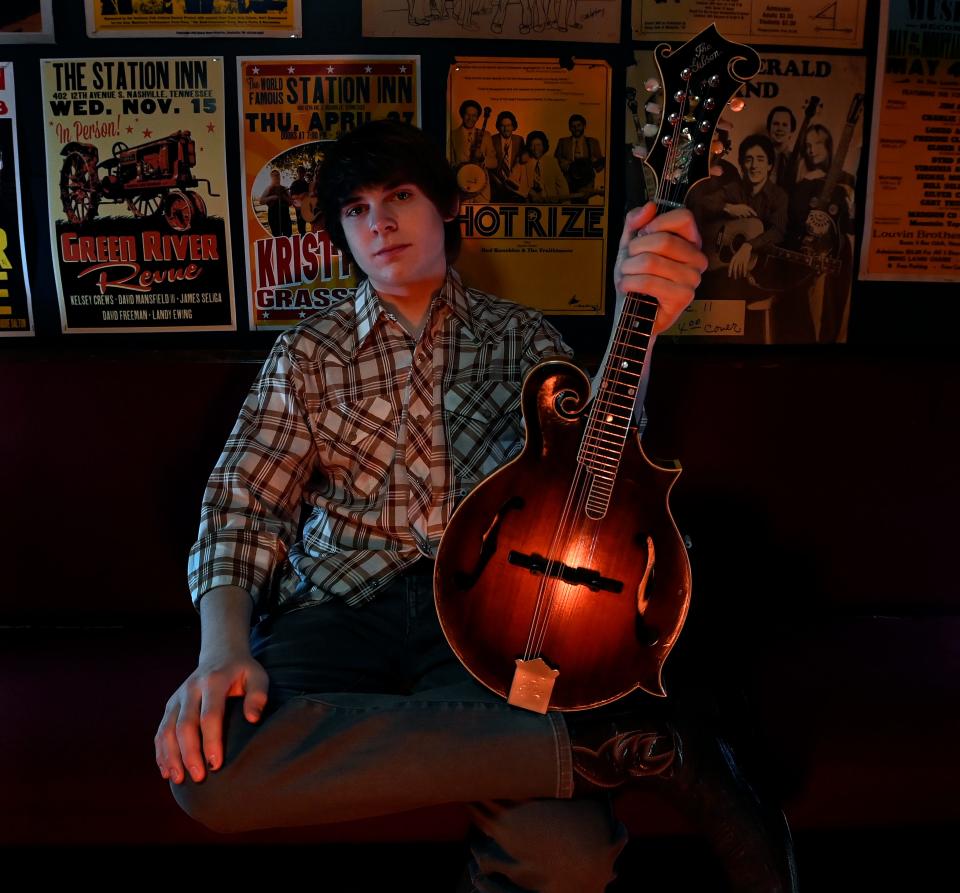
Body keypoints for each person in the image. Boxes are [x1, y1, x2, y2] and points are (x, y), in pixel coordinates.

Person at [157, 120, 797, 892]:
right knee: (211, 773)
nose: (380, 223)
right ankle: (615, 742)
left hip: (482, 621)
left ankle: (546, 746)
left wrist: (647, 330)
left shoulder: (523, 340)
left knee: (569, 855)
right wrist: (221, 649)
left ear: (449, 208)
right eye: (356, 210)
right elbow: (240, 509)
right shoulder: (306, 354)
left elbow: (598, 482)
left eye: (398, 196)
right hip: (329, 613)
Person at [449, 99, 496, 203]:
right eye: (467, 114)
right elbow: (449, 162)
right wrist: (461, 168)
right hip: (462, 189)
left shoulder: (486, 136)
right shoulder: (452, 135)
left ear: (478, 117)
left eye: (474, 115)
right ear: (462, 115)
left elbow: (494, 163)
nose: (470, 118)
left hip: (482, 191)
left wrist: (483, 158)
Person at [554, 114, 605, 201]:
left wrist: (597, 162)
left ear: (584, 126)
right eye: (573, 126)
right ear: (569, 128)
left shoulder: (593, 142)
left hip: (586, 183)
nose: (576, 128)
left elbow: (599, 168)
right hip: (567, 181)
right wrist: (562, 163)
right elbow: (555, 161)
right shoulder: (562, 142)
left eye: (579, 125)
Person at [514, 130, 569, 202]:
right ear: (529, 147)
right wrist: (529, 192)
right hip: (529, 205)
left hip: (550, 204)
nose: (536, 148)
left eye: (538, 145)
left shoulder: (552, 162)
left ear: (544, 146)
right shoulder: (522, 162)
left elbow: (562, 187)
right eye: (532, 145)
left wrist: (565, 206)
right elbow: (511, 183)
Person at [489, 110, 525, 201]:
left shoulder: (519, 140)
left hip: (514, 185)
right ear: (498, 127)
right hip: (496, 185)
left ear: (513, 126)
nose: (506, 129)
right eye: (502, 126)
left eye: (508, 125)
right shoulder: (491, 139)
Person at [765, 105, 797, 187]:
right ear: (768, 129)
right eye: (776, 124)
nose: (780, 128)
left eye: (785, 125)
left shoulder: (798, 160)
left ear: (791, 131)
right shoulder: (759, 159)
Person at [258, 168, 293, 238]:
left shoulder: (284, 188)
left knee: (288, 235)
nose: (276, 177)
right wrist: (272, 197)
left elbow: (291, 202)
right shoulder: (269, 188)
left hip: (285, 214)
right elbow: (261, 201)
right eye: (274, 176)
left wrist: (283, 197)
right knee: (277, 236)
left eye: (277, 175)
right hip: (273, 215)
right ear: (271, 177)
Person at [288, 165, 310, 236]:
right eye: (299, 172)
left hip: (307, 208)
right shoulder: (295, 184)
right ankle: (303, 241)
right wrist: (303, 194)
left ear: (304, 173)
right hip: (299, 209)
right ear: (297, 172)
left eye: (302, 172)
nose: (301, 173)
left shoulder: (307, 184)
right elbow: (293, 197)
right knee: (301, 228)